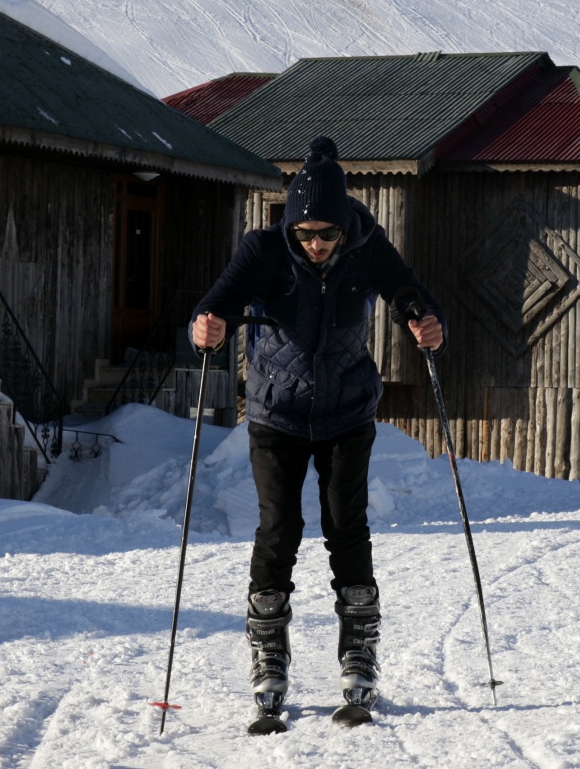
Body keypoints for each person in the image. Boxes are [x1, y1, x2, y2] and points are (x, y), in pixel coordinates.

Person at [190, 135, 445, 721]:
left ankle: (359, 651)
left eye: (328, 233)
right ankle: (269, 652)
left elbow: (411, 294)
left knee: (346, 526)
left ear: (344, 226)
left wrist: (427, 322)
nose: (317, 244)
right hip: (275, 414)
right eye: (306, 233)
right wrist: (206, 328)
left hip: (347, 412)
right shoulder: (263, 250)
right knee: (279, 528)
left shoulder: (367, 247)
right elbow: (214, 306)